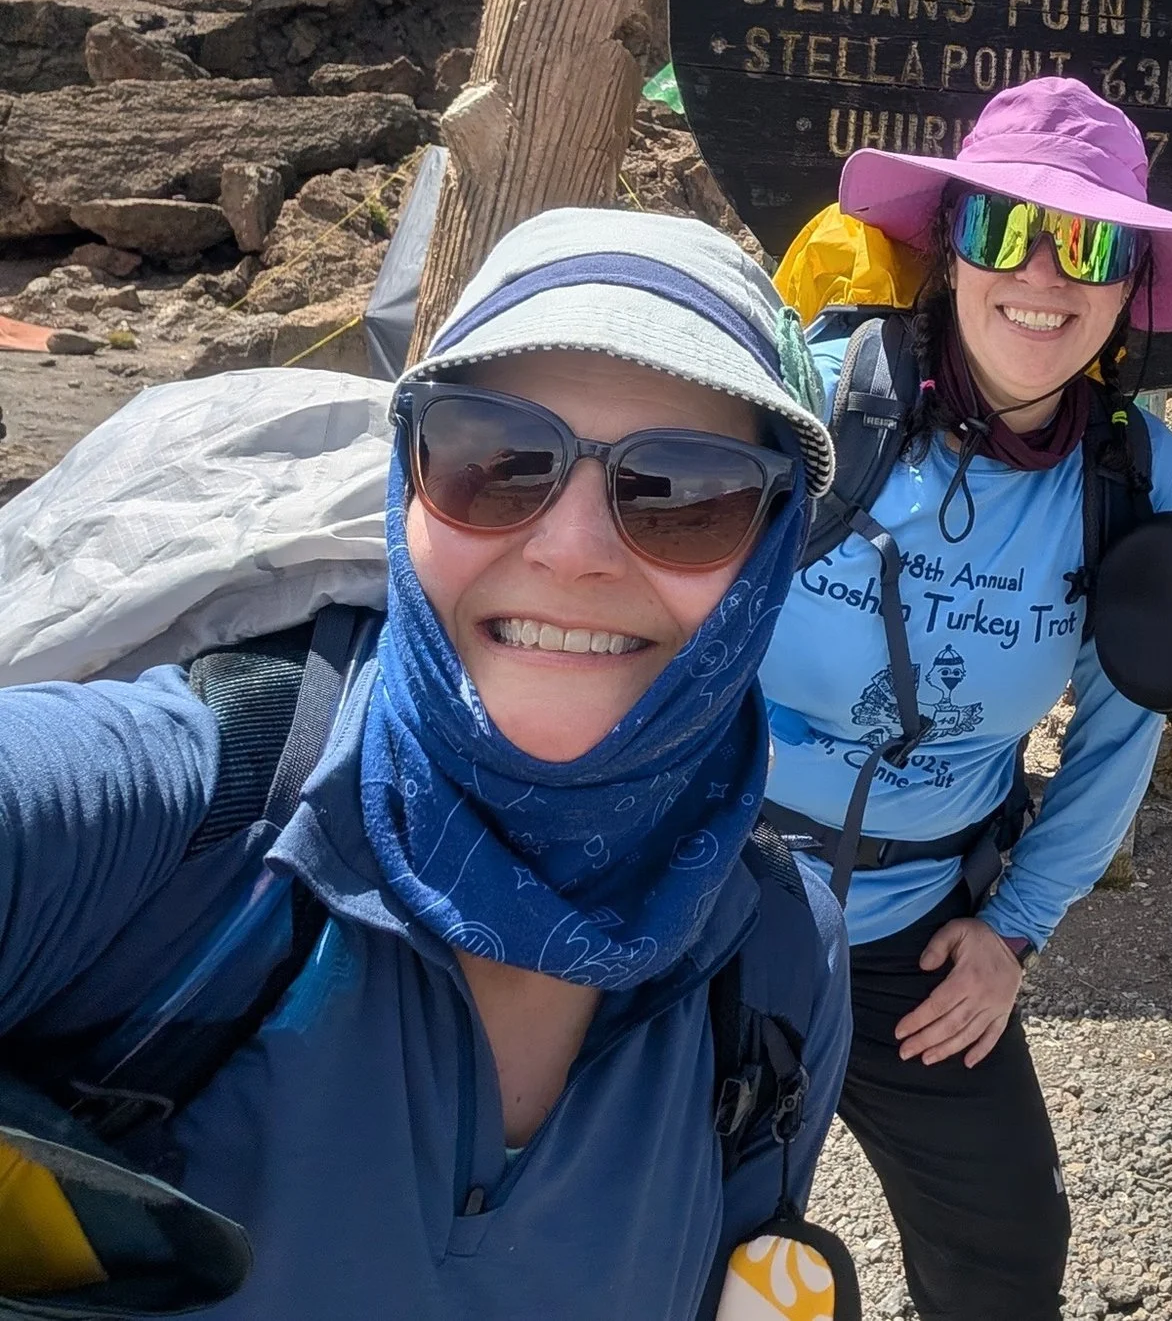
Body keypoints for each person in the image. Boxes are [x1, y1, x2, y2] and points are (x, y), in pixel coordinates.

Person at [0, 209, 850, 1316]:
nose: (570, 551)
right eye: (494, 461)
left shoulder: (779, 960)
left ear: (774, 544)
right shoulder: (183, 819)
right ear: (408, 482)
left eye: (686, 492)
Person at [757, 78, 1172, 1321]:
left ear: (1130, 285)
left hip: (917, 935)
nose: (1043, 273)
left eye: (1089, 245)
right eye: (1004, 227)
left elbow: (1121, 731)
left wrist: (1015, 931)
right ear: (949, 245)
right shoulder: (809, 401)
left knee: (1007, 1252)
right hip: (715, 896)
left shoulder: (1134, 472)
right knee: (676, 1237)